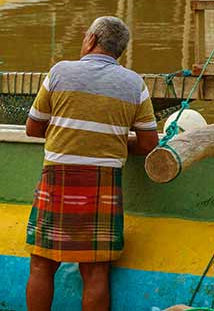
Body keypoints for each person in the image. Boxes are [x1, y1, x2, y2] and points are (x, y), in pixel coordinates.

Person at [24, 16, 159, 311]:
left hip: (57, 177)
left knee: (42, 265)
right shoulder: (135, 83)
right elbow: (149, 144)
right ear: (119, 50)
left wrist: (71, 135)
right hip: (104, 182)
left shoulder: (59, 72)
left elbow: (33, 128)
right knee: (96, 271)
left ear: (91, 40)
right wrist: (111, 142)